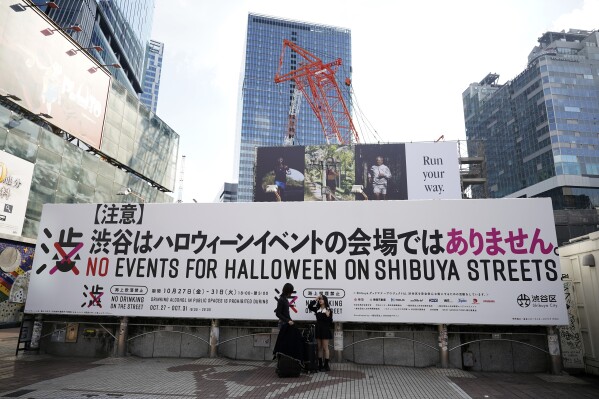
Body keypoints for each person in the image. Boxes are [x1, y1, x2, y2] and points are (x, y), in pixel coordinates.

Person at [307, 294, 333, 371]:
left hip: (325, 329)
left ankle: (326, 365)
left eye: (322, 299)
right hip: (318, 329)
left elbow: (330, 322)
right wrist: (316, 299)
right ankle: (320, 364)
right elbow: (309, 306)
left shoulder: (328, 310)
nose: (320, 300)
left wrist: (328, 316)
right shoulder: (317, 309)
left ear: (325, 300)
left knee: (325, 347)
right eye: (320, 299)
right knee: (319, 348)